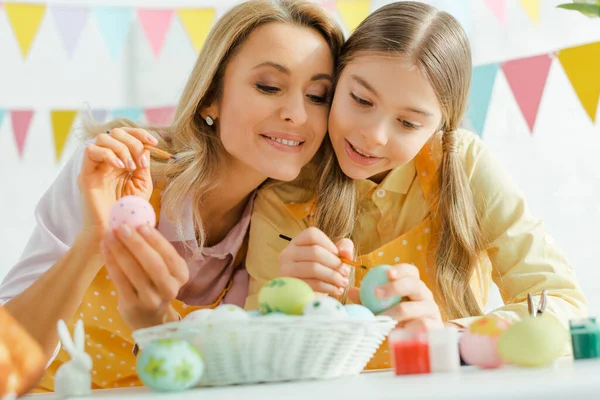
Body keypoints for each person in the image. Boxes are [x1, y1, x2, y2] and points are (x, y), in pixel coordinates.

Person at [0, 0, 344, 390]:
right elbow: (3, 368)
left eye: (318, 96)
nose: (297, 115)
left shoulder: (291, 225)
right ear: (210, 95)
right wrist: (94, 242)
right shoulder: (113, 172)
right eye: (268, 86)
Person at [245, 1, 587, 370]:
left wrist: (450, 335)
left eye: (408, 123)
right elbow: (256, 356)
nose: (373, 136)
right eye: (360, 99)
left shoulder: (464, 166)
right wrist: (287, 304)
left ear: (440, 126)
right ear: (334, 81)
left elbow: (564, 306)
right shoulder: (285, 193)